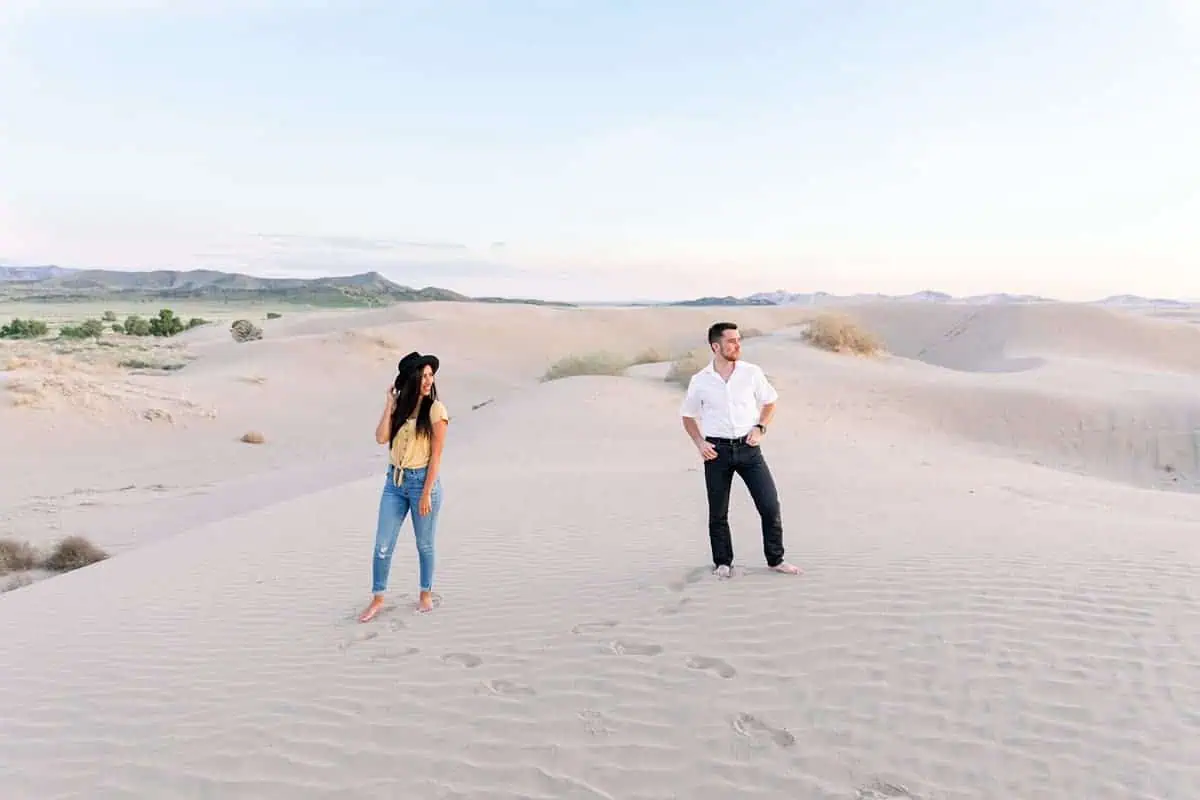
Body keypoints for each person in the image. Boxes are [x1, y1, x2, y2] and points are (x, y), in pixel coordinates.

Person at [679, 322, 801, 578]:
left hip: (749, 449)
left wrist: (760, 427)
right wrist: (700, 443)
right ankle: (723, 563)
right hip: (717, 452)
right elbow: (688, 416)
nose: (737, 345)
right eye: (731, 341)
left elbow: (770, 402)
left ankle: (776, 559)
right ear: (716, 346)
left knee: (769, 505)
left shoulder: (751, 372)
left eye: (739, 340)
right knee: (718, 512)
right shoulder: (700, 380)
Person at [358, 350, 450, 622]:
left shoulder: (436, 410)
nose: (427, 381)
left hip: (423, 483)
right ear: (410, 379)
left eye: (430, 375)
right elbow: (380, 437)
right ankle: (377, 598)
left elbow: (437, 455)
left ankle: (425, 594)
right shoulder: (399, 409)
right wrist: (389, 405)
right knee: (382, 545)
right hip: (394, 484)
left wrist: (425, 493)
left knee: (424, 545)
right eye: (422, 376)